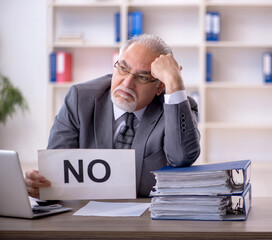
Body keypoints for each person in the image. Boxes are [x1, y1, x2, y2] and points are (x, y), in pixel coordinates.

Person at [25, 34, 201, 198]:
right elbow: (56, 171)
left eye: (142, 77)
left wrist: (175, 82)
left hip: (149, 220)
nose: (127, 83)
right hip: (86, 216)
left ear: (160, 87)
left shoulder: (176, 107)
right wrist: (42, 184)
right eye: (123, 68)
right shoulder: (80, 99)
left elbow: (181, 158)